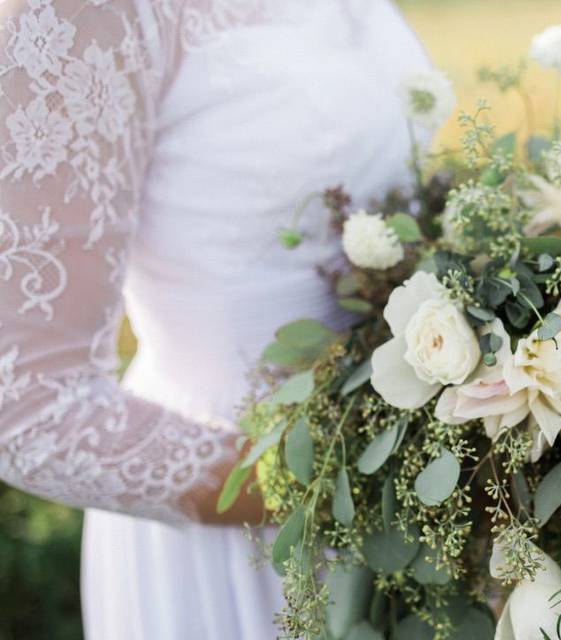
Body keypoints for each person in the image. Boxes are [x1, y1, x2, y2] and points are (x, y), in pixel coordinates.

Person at [0, 1, 434, 637]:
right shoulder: (78, 14)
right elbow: (24, 404)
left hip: (416, 504)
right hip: (238, 536)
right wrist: (351, 484)